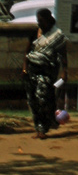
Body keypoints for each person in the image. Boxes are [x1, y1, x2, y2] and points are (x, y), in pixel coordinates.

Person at [22, 8, 68, 138]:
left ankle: (45, 125)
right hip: (32, 70)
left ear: (48, 20)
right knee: (33, 100)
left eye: (41, 20)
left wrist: (64, 72)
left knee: (43, 98)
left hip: (47, 71)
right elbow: (27, 52)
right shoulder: (34, 33)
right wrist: (24, 68)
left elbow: (63, 55)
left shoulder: (57, 36)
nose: (39, 23)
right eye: (38, 20)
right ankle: (40, 128)